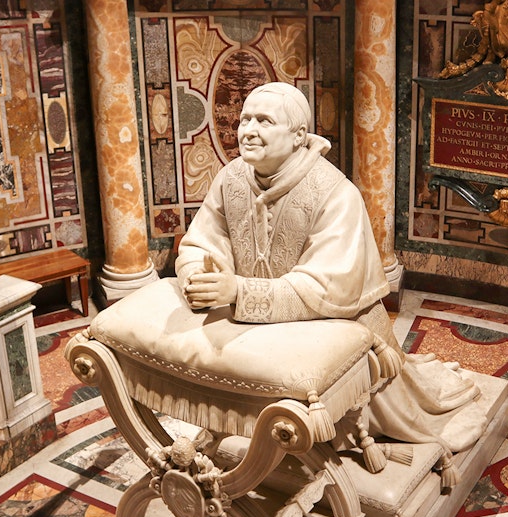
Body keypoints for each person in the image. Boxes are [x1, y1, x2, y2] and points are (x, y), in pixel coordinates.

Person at [176, 82, 485, 464]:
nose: (248, 130)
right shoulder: (232, 177)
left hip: (334, 326)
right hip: (254, 326)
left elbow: (328, 288)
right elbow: (201, 242)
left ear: (297, 136)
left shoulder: (336, 193)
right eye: (244, 119)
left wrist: (239, 291)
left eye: (264, 121)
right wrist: (198, 276)